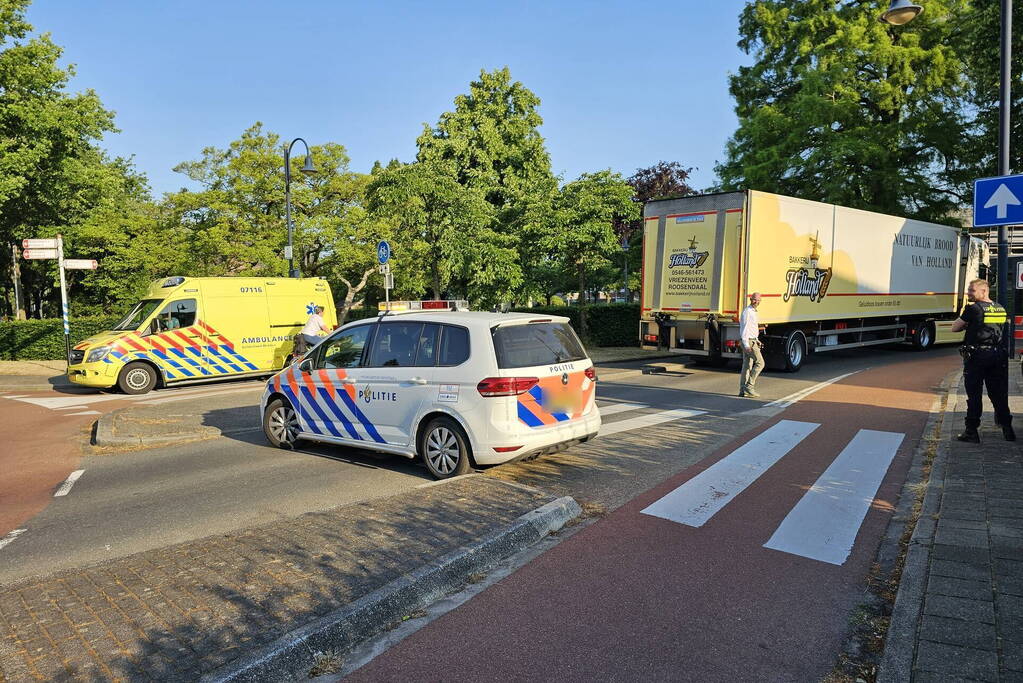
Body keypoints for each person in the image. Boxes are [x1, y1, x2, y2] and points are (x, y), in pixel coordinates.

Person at [950, 279, 1014, 443]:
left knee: (974, 394)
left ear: (984, 291)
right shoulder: (1000, 308)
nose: (969, 293)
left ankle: (971, 431)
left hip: (977, 356)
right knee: (998, 394)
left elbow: (955, 327)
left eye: (972, 290)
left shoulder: (973, 308)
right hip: (997, 355)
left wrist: (967, 324)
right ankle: (1007, 429)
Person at [739, 292, 764, 398]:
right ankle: (749, 386)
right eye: (754, 299)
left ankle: (742, 390)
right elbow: (744, 329)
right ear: (750, 299)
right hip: (748, 341)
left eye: (758, 300)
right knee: (760, 363)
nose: (756, 302)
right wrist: (746, 345)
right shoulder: (747, 312)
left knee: (747, 366)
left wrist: (757, 339)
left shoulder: (753, 311)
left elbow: (752, 328)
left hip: (752, 340)